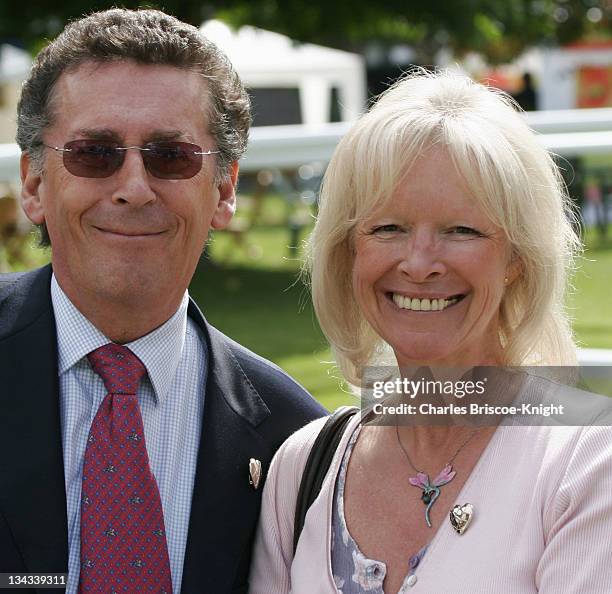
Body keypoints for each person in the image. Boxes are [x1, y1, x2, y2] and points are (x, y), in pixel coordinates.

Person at [0, 9, 325, 594]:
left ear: (224, 191)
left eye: (170, 157)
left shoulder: (292, 442)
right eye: (94, 154)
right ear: (33, 184)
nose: (133, 187)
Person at [249, 72, 612, 593]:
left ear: (516, 259)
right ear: (350, 252)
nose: (419, 265)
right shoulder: (304, 465)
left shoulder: (587, 461)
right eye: (388, 228)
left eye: (461, 230)